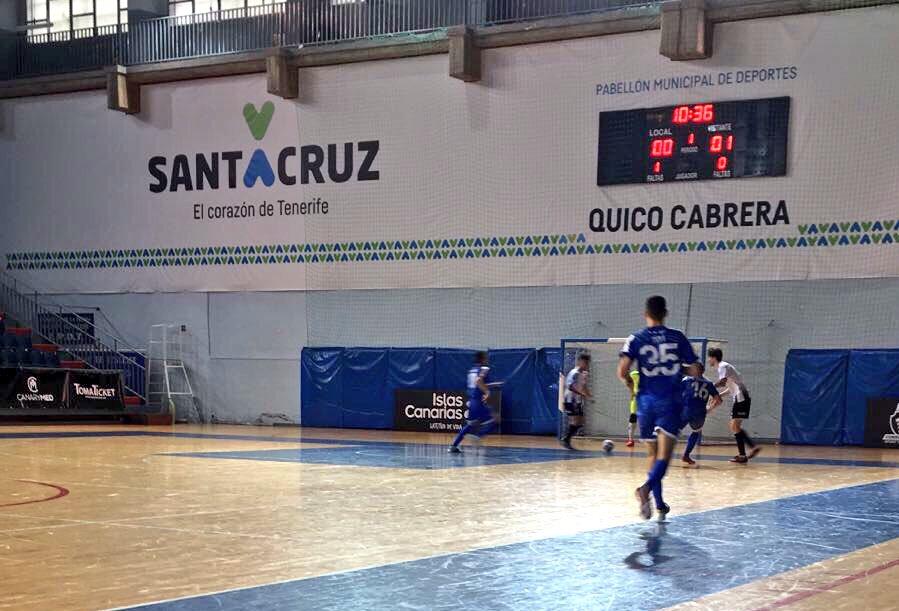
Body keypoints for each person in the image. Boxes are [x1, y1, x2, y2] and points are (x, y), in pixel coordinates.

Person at [618, 295, 699, 521]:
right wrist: (678, 368)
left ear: (646, 314)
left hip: (645, 403)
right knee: (664, 456)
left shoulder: (636, 338)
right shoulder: (677, 337)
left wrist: (630, 386)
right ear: (665, 313)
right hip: (669, 402)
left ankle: (659, 503)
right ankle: (645, 489)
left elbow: (622, 372)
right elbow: (695, 370)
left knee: (652, 454)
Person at [707, 348, 760, 464]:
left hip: (742, 397)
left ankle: (746, 452)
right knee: (734, 426)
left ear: (714, 358)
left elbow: (722, 382)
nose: (708, 360)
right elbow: (730, 387)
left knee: (734, 426)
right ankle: (747, 451)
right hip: (741, 396)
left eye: (709, 357)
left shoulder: (722, 366)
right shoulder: (725, 367)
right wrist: (719, 395)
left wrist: (709, 388)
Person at [448, 352, 496, 453]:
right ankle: (477, 436)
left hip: (472, 401)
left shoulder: (471, 371)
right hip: (479, 401)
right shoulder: (484, 368)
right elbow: (478, 381)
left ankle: (453, 446)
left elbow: (476, 384)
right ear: (483, 359)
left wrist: (490, 385)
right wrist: (487, 391)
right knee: (494, 419)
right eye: (486, 357)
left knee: (470, 424)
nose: (487, 359)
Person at [680, 363, 722, 466]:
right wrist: (710, 408)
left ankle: (660, 452)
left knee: (671, 431)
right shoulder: (708, 383)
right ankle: (686, 455)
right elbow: (719, 400)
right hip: (700, 413)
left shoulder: (687, 380)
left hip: (686, 410)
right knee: (696, 432)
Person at [560, 353, 591, 449]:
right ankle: (566, 439)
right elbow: (570, 386)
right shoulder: (574, 373)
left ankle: (566, 438)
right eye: (585, 363)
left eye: (587, 363)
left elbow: (584, 386)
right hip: (570, 400)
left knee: (581, 421)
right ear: (580, 362)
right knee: (575, 421)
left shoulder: (584, 373)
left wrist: (589, 396)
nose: (586, 365)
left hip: (577, 401)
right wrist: (581, 393)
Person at [626, 367, 639, 447]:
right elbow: (628, 383)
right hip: (636, 400)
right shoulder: (633, 374)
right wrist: (632, 391)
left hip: (647, 400)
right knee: (633, 419)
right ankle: (630, 440)